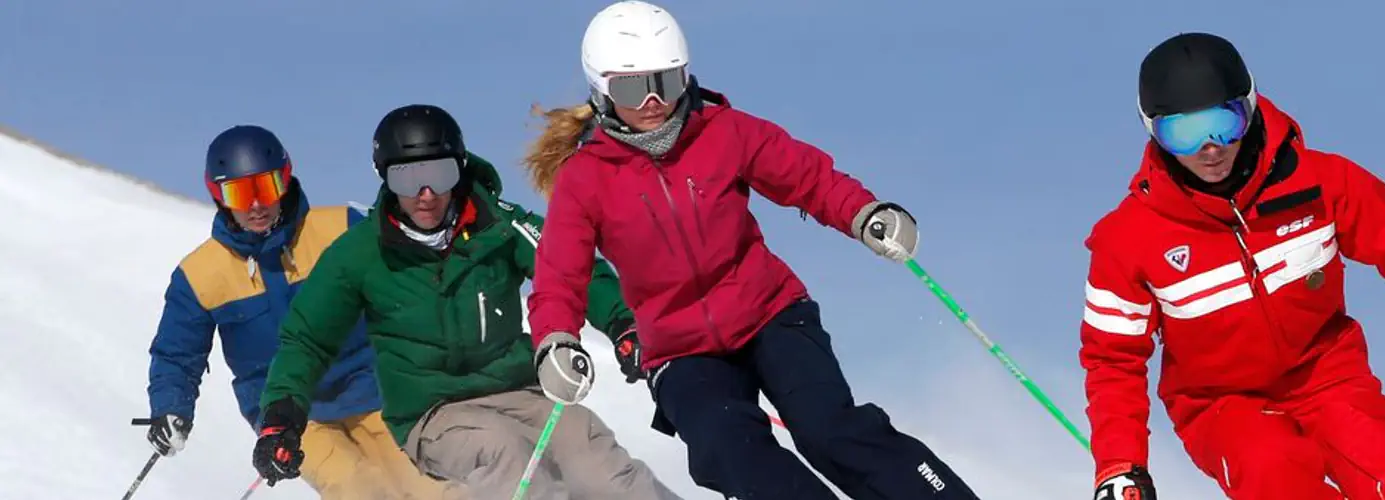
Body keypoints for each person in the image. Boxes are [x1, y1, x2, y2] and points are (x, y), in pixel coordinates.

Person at [519, 2, 978, 499]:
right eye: (633, 87)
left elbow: (808, 177)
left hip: (770, 314)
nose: (653, 100)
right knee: (731, 451)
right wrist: (555, 340)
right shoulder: (586, 178)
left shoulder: (723, 131)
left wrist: (863, 213)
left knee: (830, 431)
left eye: (666, 82)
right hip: (680, 350)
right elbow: (560, 275)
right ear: (602, 88)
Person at [1079, 32, 1385, 500]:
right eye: (1183, 133)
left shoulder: (1320, 183)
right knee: (1274, 475)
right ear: (1153, 132)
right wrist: (1121, 466)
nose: (1209, 148)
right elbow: (1112, 360)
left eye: (1224, 123)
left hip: (1329, 376)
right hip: (1221, 405)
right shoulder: (1129, 239)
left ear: (1250, 108)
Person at [248, 104, 684, 500]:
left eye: (438, 175)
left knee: (600, 464)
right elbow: (307, 340)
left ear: (458, 169)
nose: (425, 193)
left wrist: (625, 326)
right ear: (384, 176)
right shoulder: (360, 254)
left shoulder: (500, 225)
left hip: (521, 391)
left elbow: (571, 266)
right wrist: (281, 418)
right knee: (510, 459)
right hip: (432, 413)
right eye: (406, 178)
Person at [145, 125, 454, 499]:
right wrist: (170, 409)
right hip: (290, 417)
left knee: (433, 486)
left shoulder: (341, 228)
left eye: (266, 187)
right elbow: (177, 354)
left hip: (375, 392)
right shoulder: (200, 275)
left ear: (285, 180)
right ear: (218, 195)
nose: (256, 205)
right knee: (357, 488)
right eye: (240, 193)